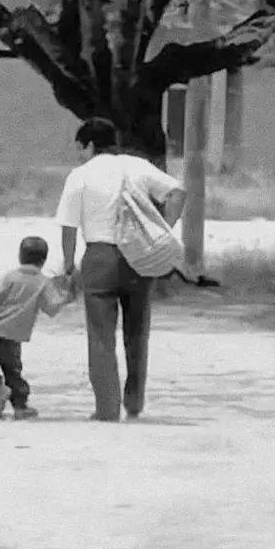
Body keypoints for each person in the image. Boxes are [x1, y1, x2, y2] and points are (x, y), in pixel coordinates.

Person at [55, 117, 186, 422]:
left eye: (80, 148)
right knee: (137, 331)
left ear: (88, 145)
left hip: (99, 256)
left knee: (100, 335)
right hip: (139, 256)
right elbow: (178, 192)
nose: (79, 154)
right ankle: (134, 401)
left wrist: (68, 264)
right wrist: (164, 230)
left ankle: (106, 407)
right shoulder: (136, 166)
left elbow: (68, 226)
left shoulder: (80, 176)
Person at [0, 236, 77, 420]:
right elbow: (51, 309)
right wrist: (68, 297)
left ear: (20, 256)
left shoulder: (11, 276)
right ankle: (20, 406)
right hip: (12, 339)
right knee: (12, 372)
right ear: (44, 260)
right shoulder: (43, 283)